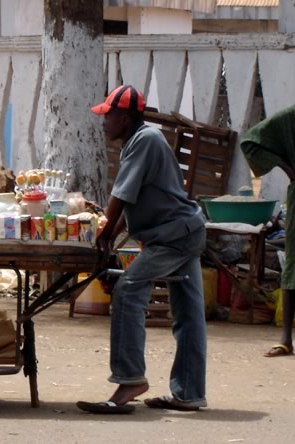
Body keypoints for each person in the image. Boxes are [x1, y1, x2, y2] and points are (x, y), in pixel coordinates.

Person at [76, 85, 208, 414]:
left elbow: (119, 198)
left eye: (108, 116)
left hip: (173, 237)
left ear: (124, 118)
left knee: (128, 289)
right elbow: (130, 199)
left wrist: (105, 235)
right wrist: (111, 233)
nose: (104, 122)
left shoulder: (144, 140)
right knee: (189, 316)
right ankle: (189, 393)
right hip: (183, 232)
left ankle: (130, 378)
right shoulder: (140, 139)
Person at [240, 105, 295, 357]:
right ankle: (286, 340)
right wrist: (286, 168)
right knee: (293, 266)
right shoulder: (290, 117)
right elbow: (252, 139)